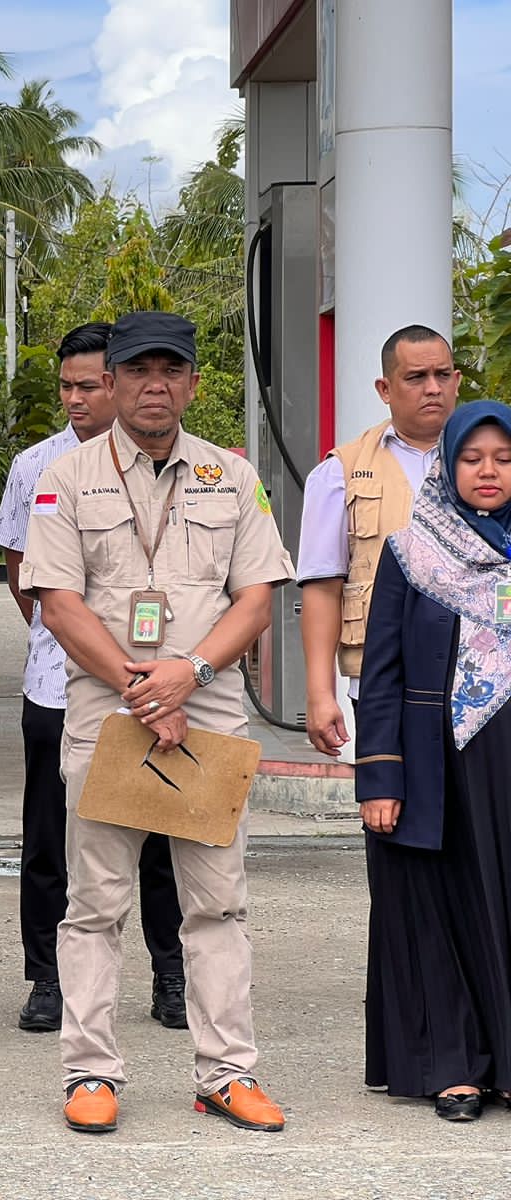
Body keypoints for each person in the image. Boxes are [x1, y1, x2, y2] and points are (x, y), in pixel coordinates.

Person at [20, 311, 295, 1135]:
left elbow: (256, 598)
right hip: (109, 711)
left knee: (217, 901)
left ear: (194, 385)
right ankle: (90, 1073)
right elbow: (58, 603)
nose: (154, 386)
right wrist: (142, 689)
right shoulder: (66, 479)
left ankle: (227, 1073)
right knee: (95, 902)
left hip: (205, 711)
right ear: (110, 382)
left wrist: (189, 674)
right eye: (138, 370)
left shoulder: (231, 477)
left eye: (171, 370)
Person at [0, 323, 186, 1035]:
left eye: (88, 386)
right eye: (66, 387)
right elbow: (22, 573)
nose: (76, 399)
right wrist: (68, 638)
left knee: (164, 834)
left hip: (161, 680)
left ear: (117, 383)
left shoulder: (179, 463)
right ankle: (48, 977)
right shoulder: (35, 467)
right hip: (57, 682)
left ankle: (171, 972)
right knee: (52, 839)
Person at [357, 401, 511, 1122]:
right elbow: (381, 673)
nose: (489, 471)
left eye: (503, 458)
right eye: (472, 458)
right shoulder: (410, 552)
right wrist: (379, 775)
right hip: (437, 769)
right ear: (448, 466)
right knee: (438, 911)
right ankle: (453, 1066)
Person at [298, 325, 460, 756]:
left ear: (457, 381)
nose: (433, 388)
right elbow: (322, 588)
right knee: (388, 793)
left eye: (443, 375)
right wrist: (319, 694)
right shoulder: (340, 471)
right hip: (383, 678)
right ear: (384, 389)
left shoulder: (494, 461)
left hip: (480, 677)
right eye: (416, 377)